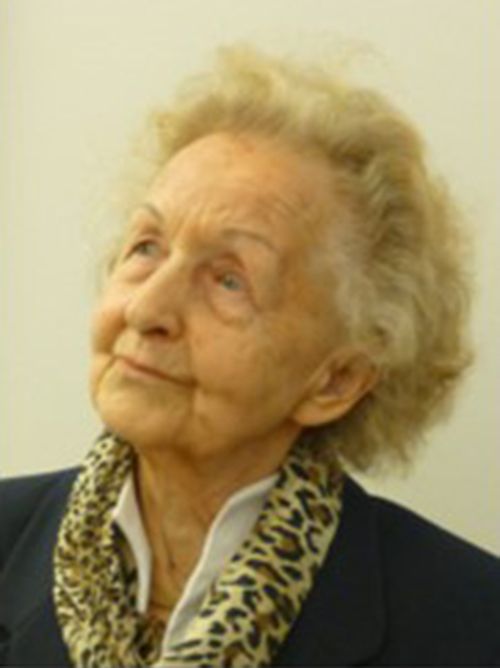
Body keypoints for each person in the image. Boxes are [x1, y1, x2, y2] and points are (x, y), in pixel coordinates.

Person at [1, 45, 499, 668]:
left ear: (336, 380)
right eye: (147, 246)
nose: (146, 309)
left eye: (229, 280)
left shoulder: (474, 628)